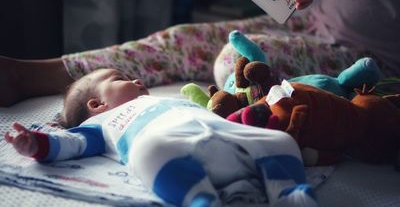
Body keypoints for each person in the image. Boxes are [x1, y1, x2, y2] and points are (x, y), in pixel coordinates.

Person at [1, 0, 399, 107]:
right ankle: (31, 74)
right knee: (180, 39)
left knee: (233, 63)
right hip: (308, 17)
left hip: (368, 55)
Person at [4, 68, 317, 207]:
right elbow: (71, 143)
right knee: (148, 151)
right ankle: (199, 199)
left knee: (280, 141)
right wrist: (37, 144)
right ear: (97, 105)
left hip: (225, 138)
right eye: (120, 79)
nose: (136, 79)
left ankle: (287, 192)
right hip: (174, 152)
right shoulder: (103, 123)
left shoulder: (163, 99)